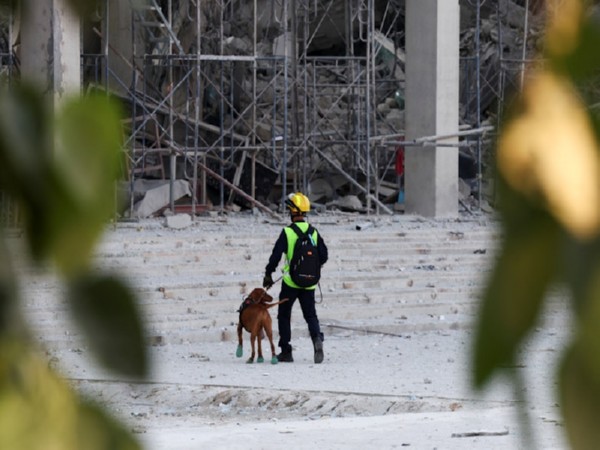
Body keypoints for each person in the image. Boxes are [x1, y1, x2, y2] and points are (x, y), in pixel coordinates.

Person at [263, 192, 328, 363]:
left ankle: (286, 351)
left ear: (293, 211)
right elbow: (324, 255)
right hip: (309, 284)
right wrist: (313, 267)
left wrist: (268, 274)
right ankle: (317, 340)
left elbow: (275, 256)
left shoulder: (288, 232)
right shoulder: (314, 232)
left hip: (290, 282)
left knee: (284, 315)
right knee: (311, 315)